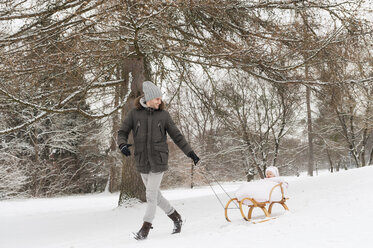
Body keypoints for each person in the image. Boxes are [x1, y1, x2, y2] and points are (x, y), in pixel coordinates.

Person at [117, 81, 200, 240]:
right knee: (156, 196)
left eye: (160, 98)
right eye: (157, 98)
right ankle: (176, 218)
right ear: (148, 98)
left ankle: (145, 229)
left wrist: (191, 153)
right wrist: (122, 145)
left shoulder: (164, 116)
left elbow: (177, 136)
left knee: (150, 195)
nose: (160, 101)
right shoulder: (134, 114)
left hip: (158, 160)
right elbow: (122, 131)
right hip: (142, 160)